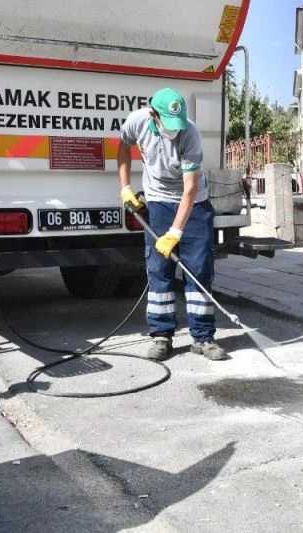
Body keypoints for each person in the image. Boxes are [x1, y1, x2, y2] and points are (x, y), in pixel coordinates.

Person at [118, 88, 228, 361]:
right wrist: (125, 187)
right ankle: (161, 336)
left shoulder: (190, 133)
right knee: (159, 269)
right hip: (158, 203)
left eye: (177, 124)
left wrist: (175, 232)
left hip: (194, 206)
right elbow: (123, 146)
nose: (174, 130)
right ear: (153, 115)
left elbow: (190, 189)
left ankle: (203, 337)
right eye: (168, 123)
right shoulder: (137, 122)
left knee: (198, 270)